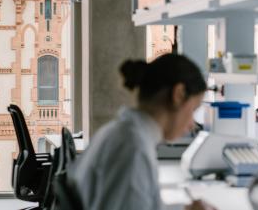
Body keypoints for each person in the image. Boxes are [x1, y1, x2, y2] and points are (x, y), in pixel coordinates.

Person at [70, 54, 217, 210]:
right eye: (193, 110)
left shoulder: (123, 133)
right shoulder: (134, 149)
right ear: (178, 94)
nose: (192, 125)